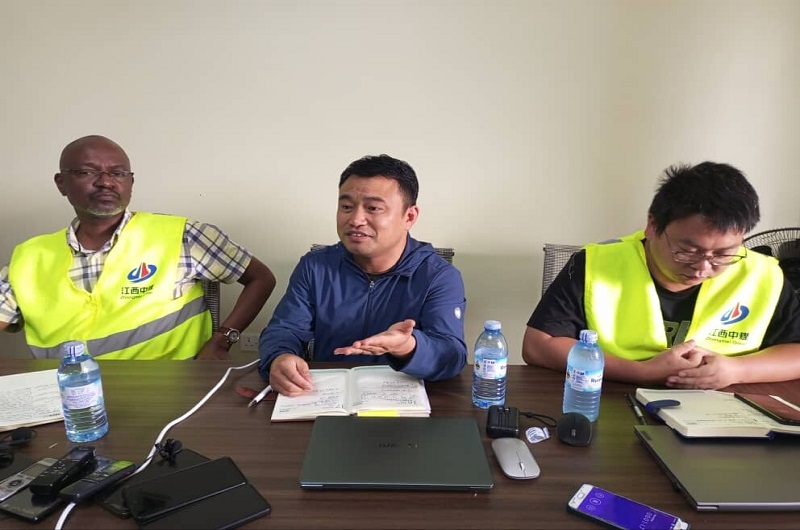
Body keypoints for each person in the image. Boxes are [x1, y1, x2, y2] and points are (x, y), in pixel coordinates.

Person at [523, 161, 800, 390]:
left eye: (724, 254)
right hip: (611, 399)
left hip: (723, 417)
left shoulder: (763, 275)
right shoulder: (598, 263)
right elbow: (538, 346)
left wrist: (736, 370)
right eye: (688, 250)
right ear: (653, 226)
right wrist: (639, 372)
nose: (703, 267)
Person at [0, 135, 276, 360]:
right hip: (66, 398)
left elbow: (261, 278)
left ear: (131, 182)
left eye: (118, 173)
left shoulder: (182, 236)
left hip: (171, 392)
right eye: (87, 172)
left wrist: (222, 340)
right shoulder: (29, 256)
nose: (106, 182)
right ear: (61, 183)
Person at [259, 154, 466, 396]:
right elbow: (284, 329)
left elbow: (452, 355)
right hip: (326, 398)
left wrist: (408, 346)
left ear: (409, 217)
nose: (356, 219)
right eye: (346, 207)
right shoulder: (314, 267)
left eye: (373, 208)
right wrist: (279, 356)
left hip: (405, 405)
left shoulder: (439, 276)